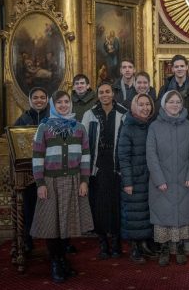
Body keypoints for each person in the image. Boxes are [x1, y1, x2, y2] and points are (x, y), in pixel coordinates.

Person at [31, 90, 93, 283]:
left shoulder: (79, 127)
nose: (64, 105)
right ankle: (55, 261)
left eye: (67, 102)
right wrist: (40, 183)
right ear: (53, 105)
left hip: (73, 180)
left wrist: (84, 180)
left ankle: (64, 258)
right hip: (51, 181)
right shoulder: (44, 127)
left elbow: (85, 156)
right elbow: (37, 157)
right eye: (60, 103)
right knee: (52, 223)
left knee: (67, 221)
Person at [146, 90, 189, 266]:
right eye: (171, 102)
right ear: (164, 104)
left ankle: (180, 247)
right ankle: (164, 249)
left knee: (182, 215)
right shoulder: (154, 126)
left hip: (185, 180)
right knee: (163, 216)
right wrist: (158, 179)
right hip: (162, 181)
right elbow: (151, 155)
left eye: (178, 102)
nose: (175, 105)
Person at [82, 82, 127, 260]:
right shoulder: (90, 114)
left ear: (113, 94)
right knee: (99, 207)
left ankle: (116, 243)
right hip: (97, 166)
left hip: (117, 166)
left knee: (115, 206)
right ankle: (103, 243)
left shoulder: (123, 113)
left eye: (107, 91)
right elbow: (84, 142)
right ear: (97, 95)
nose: (104, 95)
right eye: (101, 92)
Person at [118, 94, 156, 264]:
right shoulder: (128, 126)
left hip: (149, 177)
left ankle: (145, 244)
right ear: (134, 107)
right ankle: (135, 248)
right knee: (134, 214)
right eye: (141, 104)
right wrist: (127, 182)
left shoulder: (152, 125)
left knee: (145, 212)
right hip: (134, 178)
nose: (145, 107)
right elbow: (123, 157)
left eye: (148, 104)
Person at [15, 87, 49, 254]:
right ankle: (27, 240)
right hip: (28, 170)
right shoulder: (22, 119)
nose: (39, 100)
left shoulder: (53, 118)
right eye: (35, 97)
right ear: (30, 100)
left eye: (42, 97)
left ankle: (57, 243)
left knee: (51, 207)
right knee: (28, 206)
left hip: (50, 169)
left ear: (47, 99)